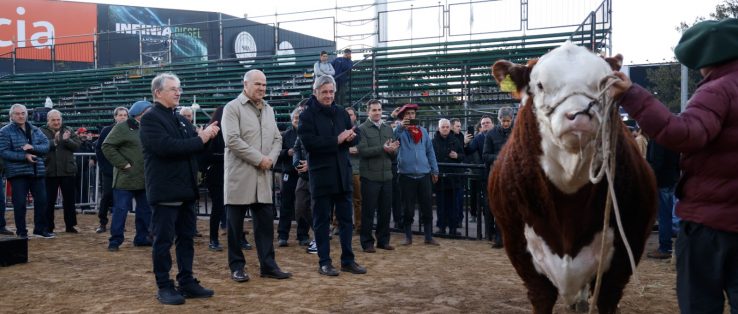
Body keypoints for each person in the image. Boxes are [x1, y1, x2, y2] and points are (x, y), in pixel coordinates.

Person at [609, 18, 738, 313]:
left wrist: (632, 95)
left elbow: (684, 134)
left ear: (705, 60)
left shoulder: (717, 90)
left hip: (711, 225)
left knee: (700, 303)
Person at [140, 73, 219, 305]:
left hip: (186, 190)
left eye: (179, 88)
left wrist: (210, 137)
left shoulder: (180, 119)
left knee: (186, 238)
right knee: (163, 241)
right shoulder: (150, 118)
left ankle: (187, 281)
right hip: (165, 191)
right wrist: (201, 138)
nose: (178, 92)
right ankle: (164, 286)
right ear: (158, 93)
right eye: (173, 89)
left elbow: (194, 150)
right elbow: (166, 148)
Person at [222, 70, 291, 282]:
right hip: (240, 177)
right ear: (245, 84)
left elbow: (278, 139)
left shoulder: (269, 110)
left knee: (265, 227)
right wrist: (260, 159)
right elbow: (232, 140)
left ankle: (268, 266)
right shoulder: (232, 108)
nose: (261, 88)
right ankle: (237, 267)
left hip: (263, 178)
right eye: (257, 84)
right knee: (235, 228)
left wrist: (270, 158)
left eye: (264, 84)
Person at [297, 75, 366, 276]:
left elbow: (354, 135)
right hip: (321, 176)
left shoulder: (341, 112)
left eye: (331, 92)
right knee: (321, 221)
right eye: (324, 92)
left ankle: (347, 260)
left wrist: (352, 137)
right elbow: (309, 143)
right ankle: (324, 262)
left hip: (343, 174)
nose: (328, 96)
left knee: (346, 220)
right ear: (316, 92)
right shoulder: (306, 115)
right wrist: (336, 139)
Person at [102, 101, 153, 251]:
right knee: (121, 210)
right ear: (140, 113)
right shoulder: (122, 127)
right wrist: (123, 164)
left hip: (144, 177)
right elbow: (107, 146)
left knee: (145, 210)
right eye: (148, 111)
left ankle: (142, 238)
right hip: (126, 177)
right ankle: (115, 241)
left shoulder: (149, 127)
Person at [0, 104, 53, 238]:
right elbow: (4, 152)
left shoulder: (35, 129)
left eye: (23, 113)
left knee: (42, 202)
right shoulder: (4, 131)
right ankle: (21, 232)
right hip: (18, 173)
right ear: (11, 116)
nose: (20, 115)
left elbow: (46, 146)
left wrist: (33, 148)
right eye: (17, 113)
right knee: (20, 204)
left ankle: (40, 230)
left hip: (37, 171)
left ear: (26, 114)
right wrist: (25, 157)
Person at [392, 104, 440, 246]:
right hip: (406, 175)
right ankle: (408, 236)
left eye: (413, 113)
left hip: (424, 174)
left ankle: (428, 236)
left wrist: (434, 170)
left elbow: (430, 151)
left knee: (427, 207)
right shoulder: (400, 131)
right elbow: (391, 137)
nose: (411, 116)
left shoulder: (423, 131)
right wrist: (400, 126)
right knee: (407, 209)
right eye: (407, 114)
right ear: (403, 116)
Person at [357, 99, 399, 252]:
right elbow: (363, 151)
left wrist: (393, 151)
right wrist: (383, 149)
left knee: (385, 211)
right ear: (368, 112)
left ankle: (383, 240)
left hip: (387, 176)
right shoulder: (361, 129)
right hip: (370, 177)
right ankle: (367, 242)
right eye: (374, 110)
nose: (377, 113)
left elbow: (393, 152)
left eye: (379, 110)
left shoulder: (388, 129)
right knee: (368, 212)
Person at [40, 109, 81, 234]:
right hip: (49, 170)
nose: (56, 122)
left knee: (69, 200)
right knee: (49, 201)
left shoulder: (68, 130)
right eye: (53, 120)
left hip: (67, 170)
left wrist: (67, 140)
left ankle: (70, 225)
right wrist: (55, 141)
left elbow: (77, 145)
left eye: (58, 119)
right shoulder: (41, 131)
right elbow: (40, 146)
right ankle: (48, 226)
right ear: (48, 120)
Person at [276, 106, 310, 247]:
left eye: (299, 117)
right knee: (286, 205)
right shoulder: (285, 135)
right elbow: (277, 153)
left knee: (302, 206)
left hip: (303, 175)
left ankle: (303, 235)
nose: (297, 120)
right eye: (295, 118)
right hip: (289, 174)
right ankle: (282, 235)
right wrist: (287, 153)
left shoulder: (309, 133)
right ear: (291, 119)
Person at [482, 107, 515, 248]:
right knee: (498, 208)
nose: (505, 123)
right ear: (499, 119)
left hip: (514, 177)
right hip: (497, 176)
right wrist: (501, 157)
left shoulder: (517, 132)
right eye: (503, 120)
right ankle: (499, 237)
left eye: (508, 121)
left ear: (512, 119)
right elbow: (485, 155)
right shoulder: (491, 134)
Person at [94, 106, 129, 233]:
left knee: (122, 198)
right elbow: (99, 149)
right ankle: (102, 222)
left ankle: (120, 224)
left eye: (125, 115)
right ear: (115, 117)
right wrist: (104, 166)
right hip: (109, 170)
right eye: (120, 115)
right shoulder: (107, 130)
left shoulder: (132, 130)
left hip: (125, 170)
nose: (123, 117)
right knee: (107, 195)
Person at [645, 141, 681, 259]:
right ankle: (669, 247)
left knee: (664, 216)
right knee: (670, 214)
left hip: (662, 182)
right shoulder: (671, 138)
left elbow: (657, 164)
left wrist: (651, 181)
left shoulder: (657, 141)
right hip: (671, 179)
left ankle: (665, 248)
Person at [432, 118, 464, 237]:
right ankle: (441, 228)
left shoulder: (455, 140)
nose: (445, 129)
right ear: (439, 128)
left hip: (453, 178)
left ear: (449, 128)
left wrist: (457, 156)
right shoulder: (433, 141)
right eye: (442, 127)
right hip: (440, 178)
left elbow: (463, 156)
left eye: (446, 127)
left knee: (453, 205)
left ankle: (453, 229)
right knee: (441, 205)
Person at [201, 106, 227, 252]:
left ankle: (239, 237)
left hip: (232, 173)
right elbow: (206, 156)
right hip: (216, 173)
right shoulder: (212, 130)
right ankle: (213, 239)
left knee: (238, 206)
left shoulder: (235, 130)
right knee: (218, 206)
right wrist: (228, 157)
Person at [345, 106, 362, 233]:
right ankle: (337, 224)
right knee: (339, 199)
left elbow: (359, 149)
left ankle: (359, 225)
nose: (349, 116)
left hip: (356, 169)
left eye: (351, 114)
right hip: (342, 169)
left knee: (358, 199)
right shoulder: (339, 128)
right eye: (347, 114)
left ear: (355, 116)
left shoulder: (360, 130)